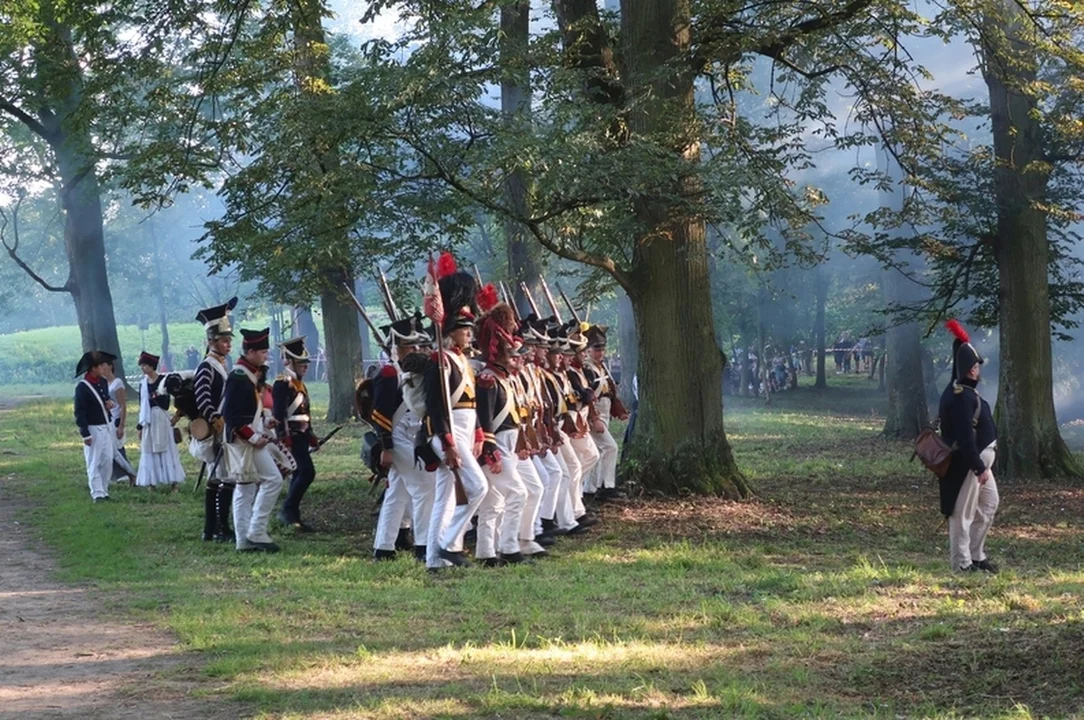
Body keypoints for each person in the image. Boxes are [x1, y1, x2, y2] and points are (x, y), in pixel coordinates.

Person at [423, 259, 489, 570]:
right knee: (479, 487)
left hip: (464, 430)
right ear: (452, 330)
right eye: (465, 329)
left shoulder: (462, 361)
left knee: (445, 498)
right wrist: (448, 443)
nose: (470, 334)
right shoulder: (441, 360)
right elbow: (437, 407)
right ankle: (450, 544)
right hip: (445, 433)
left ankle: (434, 560)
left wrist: (476, 433)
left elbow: (470, 403)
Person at [473, 299, 538, 566]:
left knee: (494, 502)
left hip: (508, 445)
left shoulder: (502, 378)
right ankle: (510, 548)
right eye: (512, 355)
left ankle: (487, 552)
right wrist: (491, 452)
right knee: (518, 493)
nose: (517, 359)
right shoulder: (488, 380)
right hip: (497, 446)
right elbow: (485, 421)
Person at [371, 314, 436, 561]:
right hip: (396, 438)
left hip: (410, 436)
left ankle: (384, 548)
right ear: (397, 348)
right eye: (411, 346)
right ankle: (423, 545)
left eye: (418, 346)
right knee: (423, 487)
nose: (417, 350)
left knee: (397, 494)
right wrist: (385, 447)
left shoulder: (409, 371)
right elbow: (380, 414)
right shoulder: (389, 373)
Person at [939, 320, 999, 574]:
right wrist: (977, 466)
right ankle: (961, 563)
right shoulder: (960, 396)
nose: (977, 370)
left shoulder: (966, 393)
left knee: (988, 504)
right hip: (969, 463)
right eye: (973, 366)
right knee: (962, 515)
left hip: (980, 461)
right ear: (966, 369)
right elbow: (965, 436)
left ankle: (976, 555)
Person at [223, 328, 285, 553]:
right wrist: (254, 436)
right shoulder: (239, 376)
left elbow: (248, 411)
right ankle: (257, 530)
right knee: (273, 480)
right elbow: (231, 415)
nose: (265, 355)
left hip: (248, 435)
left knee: (245, 487)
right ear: (249, 352)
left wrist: (265, 423)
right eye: (262, 352)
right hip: (243, 439)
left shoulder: (249, 373)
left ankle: (243, 540)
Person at [192, 297, 238, 543]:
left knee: (217, 479)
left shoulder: (220, 365)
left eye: (229, 340)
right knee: (223, 479)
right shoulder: (207, 367)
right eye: (224, 340)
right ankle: (220, 529)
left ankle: (211, 529)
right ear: (211, 341)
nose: (228, 344)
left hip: (223, 429)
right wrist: (215, 419)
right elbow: (202, 398)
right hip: (216, 431)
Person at [273, 337, 318, 531]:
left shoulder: (299, 383)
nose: (305, 367)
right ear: (290, 361)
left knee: (301, 472)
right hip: (291, 436)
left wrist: (311, 435)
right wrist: (284, 439)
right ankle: (288, 509)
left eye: (306, 363)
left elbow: (304, 412)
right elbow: (279, 414)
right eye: (301, 363)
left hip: (301, 435)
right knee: (307, 472)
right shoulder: (282, 383)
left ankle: (292, 513)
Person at [582, 324, 626, 501]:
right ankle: (607, 486)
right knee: (610, 447)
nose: (600, 353)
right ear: (589, 350)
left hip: (605, 410)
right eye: (596, 349)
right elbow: (589, 394)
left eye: (602, 349)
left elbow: (608, 390)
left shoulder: (600, 367)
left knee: (599, 451)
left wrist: (618, 407)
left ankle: (593, 488)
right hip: (596, 413)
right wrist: (594, 417)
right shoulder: (587, 368)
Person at [135, 352, 186, 491]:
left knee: (167, 448)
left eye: (145, 365)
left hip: (162, 417)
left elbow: (171, 399)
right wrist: (140, 426)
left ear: (152, 366)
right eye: (142, 365)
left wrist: (177, 416)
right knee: (149, 449)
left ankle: (174, 483)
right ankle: (151, 483)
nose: (143, 368)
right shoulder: (143, 384)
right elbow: (143, 405)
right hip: (149, 419)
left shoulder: (165, 380)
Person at [74, 350, 117, 503]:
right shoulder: (82, 388)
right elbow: (80, 412)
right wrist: (85, 433)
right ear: (93, 368)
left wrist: (109, 404)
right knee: (94, 461)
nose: (104, 368)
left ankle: (104, 490)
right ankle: (97, 493)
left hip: (105, 425)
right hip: (92, 428)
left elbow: (105, 399)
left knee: (107, 460)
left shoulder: (103, 382)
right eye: (101, 366)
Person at [101, 360, 137, 485]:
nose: (102, 368)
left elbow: (122, 405)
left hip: (116, 418)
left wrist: (121, 424)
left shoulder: (117, 383)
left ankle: (129, 473)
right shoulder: (103, 383)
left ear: (110, 366)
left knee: (117, 449)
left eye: (103, 365)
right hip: (107, 419)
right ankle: (115, 474)